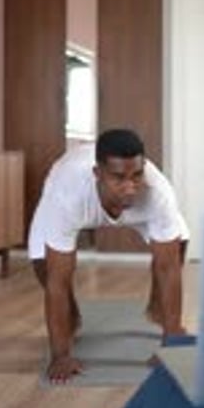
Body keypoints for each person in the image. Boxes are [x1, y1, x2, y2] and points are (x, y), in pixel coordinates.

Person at [28, 128, 189, 383]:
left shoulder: (158, 192)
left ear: (144, 167)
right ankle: (72, 319)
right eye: (118, 178)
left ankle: (164, 319)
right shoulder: (66, 196)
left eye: (137, 175)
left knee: (177, 247)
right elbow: (57, 281)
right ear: (98, 174)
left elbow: (168, 268)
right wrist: (60, 355)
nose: (130, 187)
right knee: (45, 267)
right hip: (69, 195)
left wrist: (171, 343)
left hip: (142, 210)